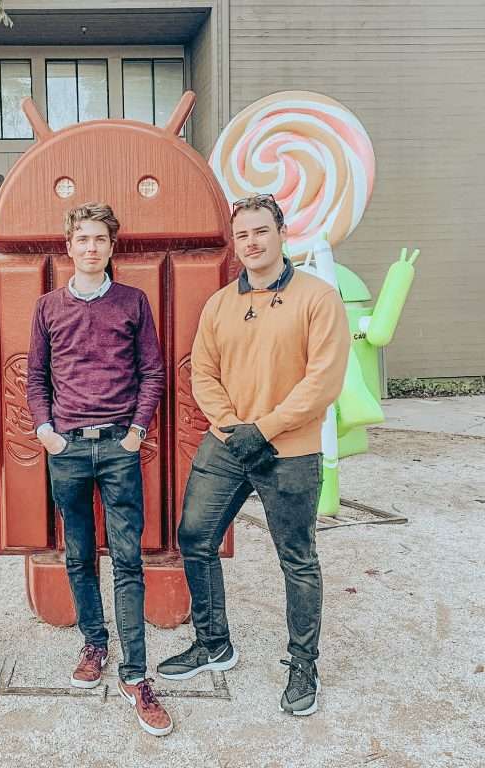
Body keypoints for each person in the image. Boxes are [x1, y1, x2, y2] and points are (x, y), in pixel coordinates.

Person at [157, 194, 349, 717]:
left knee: (297, 559)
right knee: (194, 537)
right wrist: (230, 426)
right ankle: (213, 642)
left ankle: (304, 663)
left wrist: (264, 429)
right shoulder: (220, 304)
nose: (251, 242)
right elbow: (204, 373)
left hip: (289, 449)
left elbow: (323, 380)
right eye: (242, 235)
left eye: (261, 231)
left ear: (281, 233)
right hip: (228, 444)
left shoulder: (317, 297)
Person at [26, 202, 172, 736]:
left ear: (112, 248)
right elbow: (35, 376)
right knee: (79, 555)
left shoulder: (133, 302)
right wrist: (45, 429)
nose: (91, 247)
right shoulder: (47, 307)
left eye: (100, 240)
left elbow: (152, 371)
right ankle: (95, 643)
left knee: (128, 559)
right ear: (69, 246)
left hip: (118, 446)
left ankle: (136, 675)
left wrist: (136, 431)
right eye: (82, 238)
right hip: (66, 450)